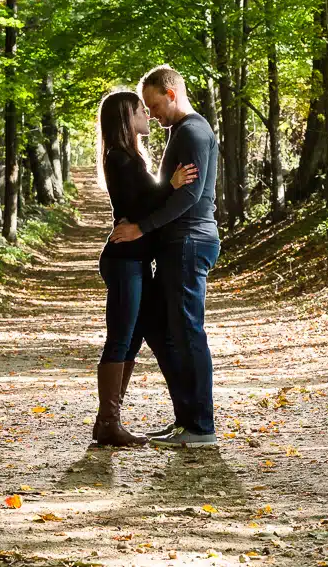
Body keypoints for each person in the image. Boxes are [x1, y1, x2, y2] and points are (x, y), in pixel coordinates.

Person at [110, 66, 220, 448]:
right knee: (158, 327)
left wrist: (142, 228)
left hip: (190, 242)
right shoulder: (180, 132)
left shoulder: (191, 131)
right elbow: (167, 189)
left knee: (189, 331)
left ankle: (201, 427)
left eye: (154, 105)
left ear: (171, 93)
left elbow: (189, 195)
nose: (152, 115)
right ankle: (185, 420)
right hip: (177, 244)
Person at [94, 90, 198, 446]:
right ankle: (107, 422)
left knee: (134, 337)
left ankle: (111, 421)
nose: (148, 115)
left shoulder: (129, 157)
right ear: (126, 118)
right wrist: (169, 185)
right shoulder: (120, 158)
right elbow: (137, 206)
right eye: (142, 110)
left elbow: (142, 204)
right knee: (121, 338)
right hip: (125, 261)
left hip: (136, 260)